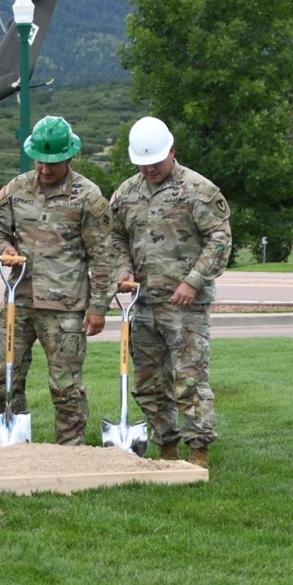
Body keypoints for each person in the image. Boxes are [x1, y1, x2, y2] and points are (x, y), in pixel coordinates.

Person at [110, 116, 232, 470]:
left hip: (185, 307)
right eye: (142, 164)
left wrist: (193, 280)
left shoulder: (199, 191)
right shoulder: (126, 193)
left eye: (156, 163)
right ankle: (165, 445)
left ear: (172, 151)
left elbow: (220, 240)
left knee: (189, 380)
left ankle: (198, 449)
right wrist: (122, 269)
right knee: (149, 382)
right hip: (142, 302)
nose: (149, 170)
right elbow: (116, 237)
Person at [0, 115, 113, 445]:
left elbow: (102, 256)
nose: (45, 168)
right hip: (20, 301)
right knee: (3, 377)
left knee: (65, 386)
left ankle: (69, 452)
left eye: (53, 162)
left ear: (70, 157)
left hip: (66, 307)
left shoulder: (88, 197)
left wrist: (98, 308)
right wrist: (5, 248)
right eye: (40, 161)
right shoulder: (15, 190)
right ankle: (15, 442)